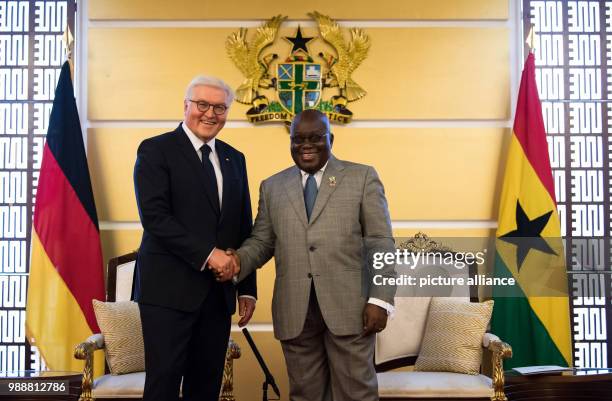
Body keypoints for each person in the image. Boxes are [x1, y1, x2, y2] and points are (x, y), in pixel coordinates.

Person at [221, 109, 396, 401]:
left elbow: (380, 243)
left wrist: (380, 299)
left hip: (351, 309)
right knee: (305, 395)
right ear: (290, 141)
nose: (306, 145)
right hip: (295, 311)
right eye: (298, 139)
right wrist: (237, 261)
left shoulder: (362, 177)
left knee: (357, 394)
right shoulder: (273, 187)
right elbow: (262, 241)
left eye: (316, 138)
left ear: (331, 138)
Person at [133, 75, 256, 401]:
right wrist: (209, 254)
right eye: (202, 105)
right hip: (167, 294)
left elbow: (243, 226)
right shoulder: (155, 150)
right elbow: (156, 219)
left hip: (217, 297)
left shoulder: (235, 159)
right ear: (186, 105)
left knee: (206, 387)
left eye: (220, 107)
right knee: (163, 386)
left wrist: (247, 287)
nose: (210, 114)